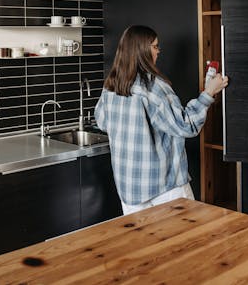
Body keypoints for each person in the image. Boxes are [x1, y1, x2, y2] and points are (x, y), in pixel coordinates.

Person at [94, 25, 229, 215]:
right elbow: (186, 125)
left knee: (144, 243)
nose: (159, 51)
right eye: (155, 46)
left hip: (129, 187)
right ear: (142, 50)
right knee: (184, 240)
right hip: (164, 187)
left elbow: (101, 122)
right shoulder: (154, 87)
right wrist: (209, 92)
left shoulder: (110, 86)